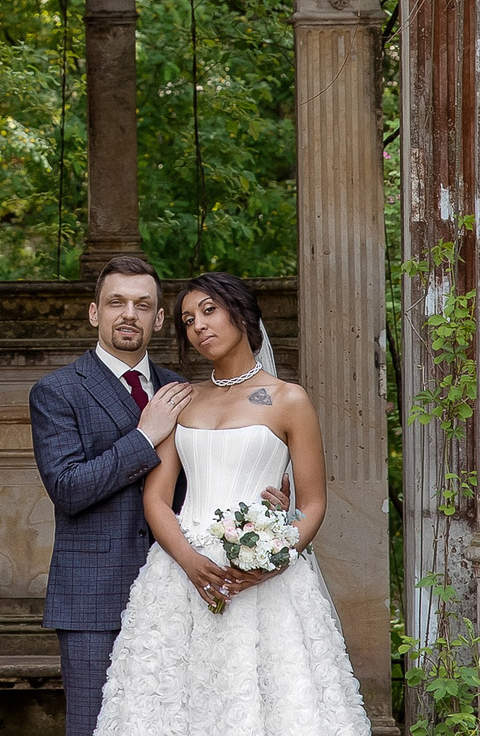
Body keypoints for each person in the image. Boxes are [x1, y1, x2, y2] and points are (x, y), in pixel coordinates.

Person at [92, 270, 370, 736]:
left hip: (264, 577)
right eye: (186, 319)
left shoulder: (288, 399)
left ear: (241, 314)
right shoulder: (181, 400)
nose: (198, 326)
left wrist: (276, 559)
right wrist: (190, 562)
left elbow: (314, 502)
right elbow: (157, 499)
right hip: (181, 574)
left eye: (208, 311)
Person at [29, 256, 291, 736]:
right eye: (116, 302)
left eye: (142, 304)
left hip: (186, 586)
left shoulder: (187, 389)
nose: (129, 313)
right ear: (95, 313)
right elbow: (67, 490)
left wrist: (264, 502)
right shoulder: (57, 391)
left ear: (157, 318)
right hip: (95, 597)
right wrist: (143, 437)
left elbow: (216, 474)